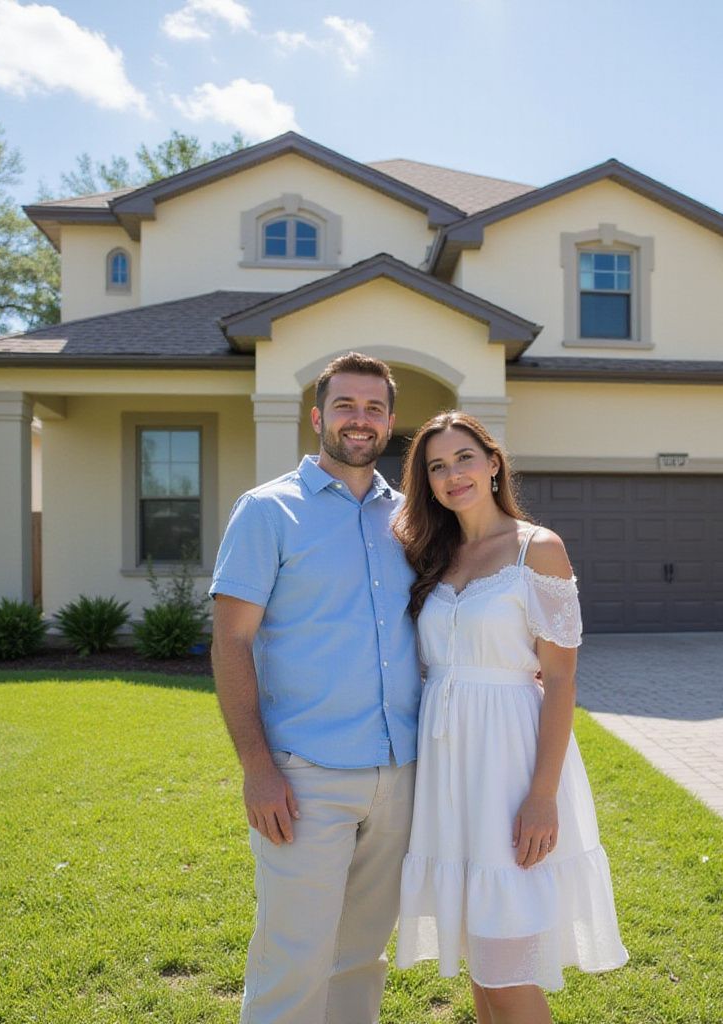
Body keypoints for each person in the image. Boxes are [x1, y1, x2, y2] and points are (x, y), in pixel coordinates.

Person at [393, 411, 628, 1024]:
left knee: (507, 967)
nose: (453, 475)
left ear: (493, 462)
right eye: (437, 467)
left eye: (464, 458)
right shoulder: (432, 555)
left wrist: (542, 795)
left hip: (509, 761)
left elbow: (561, 678)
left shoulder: (537, 549)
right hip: (449, 770)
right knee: (480, 960)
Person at [209, 352, 420, 1024]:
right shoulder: (268, 511)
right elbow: (232, 641)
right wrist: (257, 770)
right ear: (317, 416)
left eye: (374, 408)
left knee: (361, 957)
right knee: (292, 961)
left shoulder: (413, 520)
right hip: (305, 779)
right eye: (345, 406)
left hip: (402, 774)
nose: (360, 420)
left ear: (390, 421)